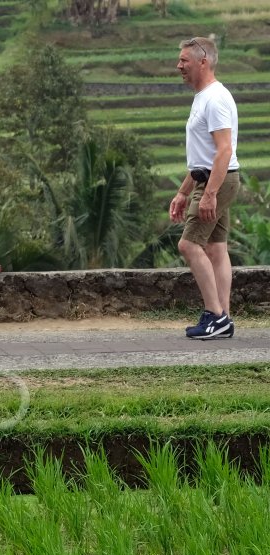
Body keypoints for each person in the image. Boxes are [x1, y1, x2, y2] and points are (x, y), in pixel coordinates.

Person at [171, 36, 239, 341]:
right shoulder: (204, 97)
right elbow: (203, 155)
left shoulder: (215, 99)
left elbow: (223, 150)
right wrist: (184, 191)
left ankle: (215, 315)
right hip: (209, 178)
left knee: (188, 245)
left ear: (203, 61)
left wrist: (209, 193)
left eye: (184, 60)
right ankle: (223, 318)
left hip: (217, 180)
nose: (179, 66)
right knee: (215, 247)